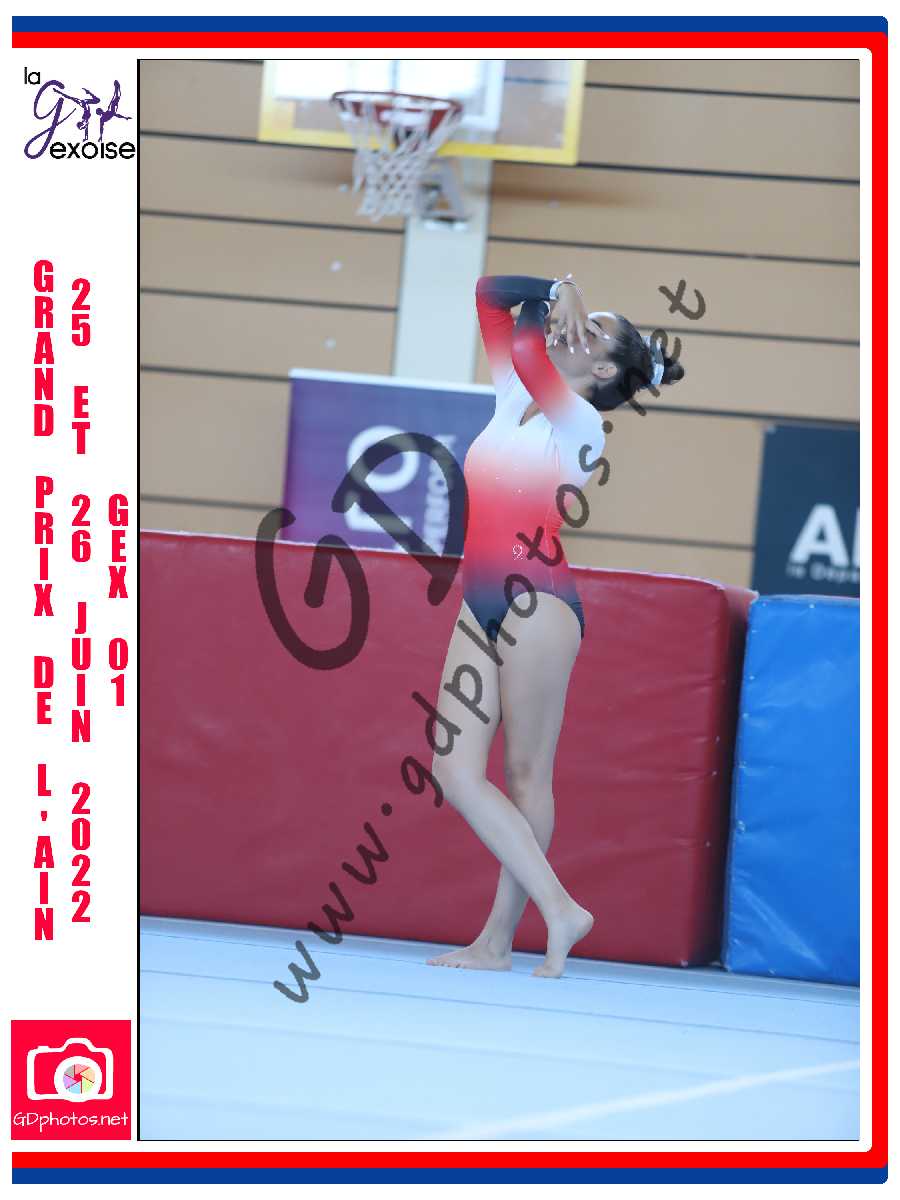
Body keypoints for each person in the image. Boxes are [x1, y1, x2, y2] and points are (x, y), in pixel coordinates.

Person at [427, 274, 684, 977]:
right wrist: (551, 289)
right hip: (479, 599)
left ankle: (504, 937)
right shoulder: (514, 394)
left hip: (537, 603)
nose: (577, 327)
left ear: (600, 372)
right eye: (584, 319)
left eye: (594, 330)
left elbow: (531, 350)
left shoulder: (581, 425)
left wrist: (559, 297)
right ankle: (553, 913)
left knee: (526, 774)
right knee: (452, 769)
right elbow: (488, 294)